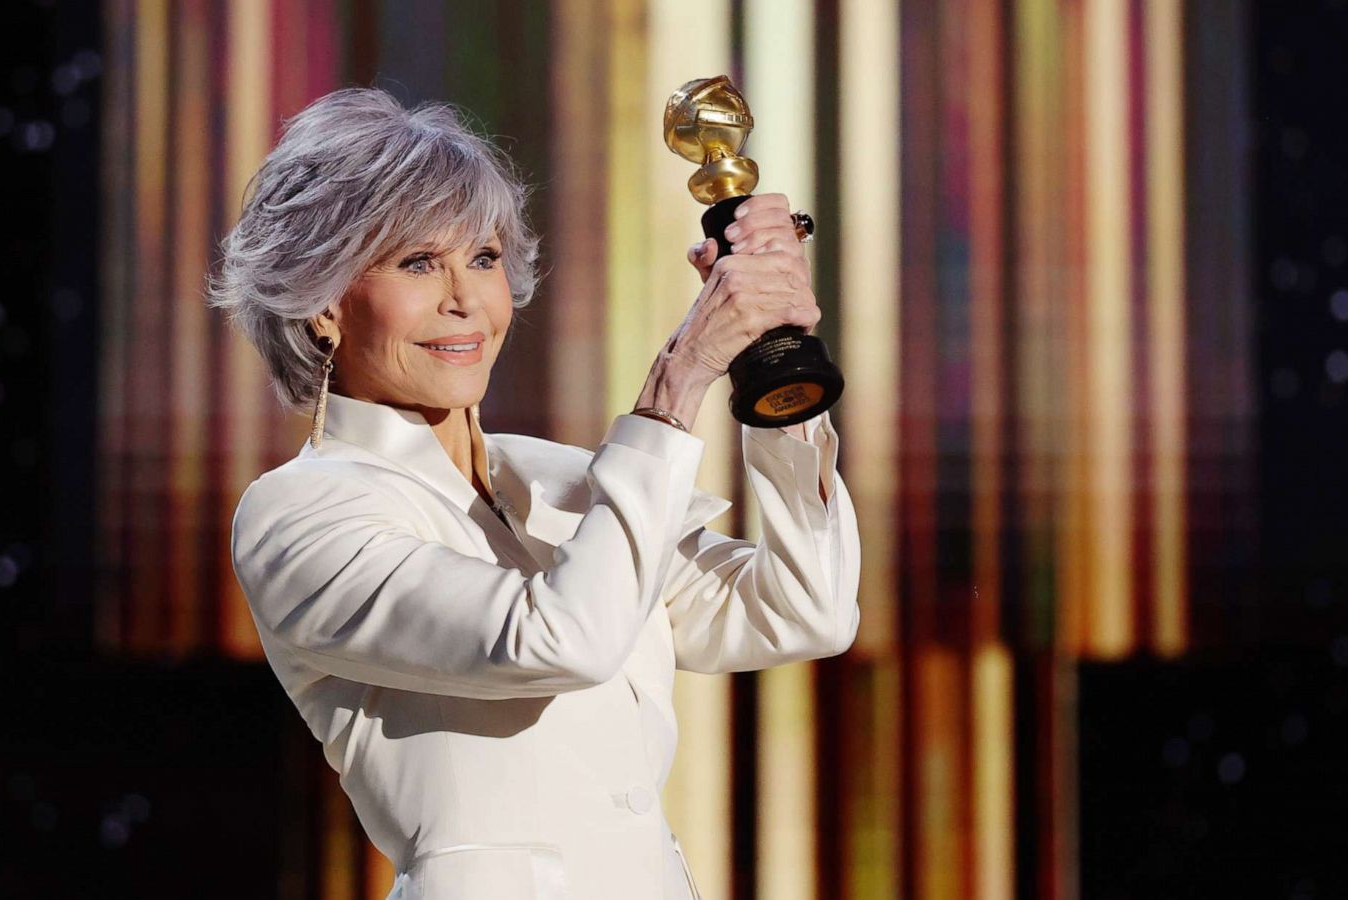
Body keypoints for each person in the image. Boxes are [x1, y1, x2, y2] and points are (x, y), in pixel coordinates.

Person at [209, 86, 860, 900]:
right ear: (321, 307)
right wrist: (681, 373)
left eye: (482, 258)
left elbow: (805, 609)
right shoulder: (298, 514)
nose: (465, 299)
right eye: (418, 262)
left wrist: (774, 367)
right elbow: (559, 638)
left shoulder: (559, 477)